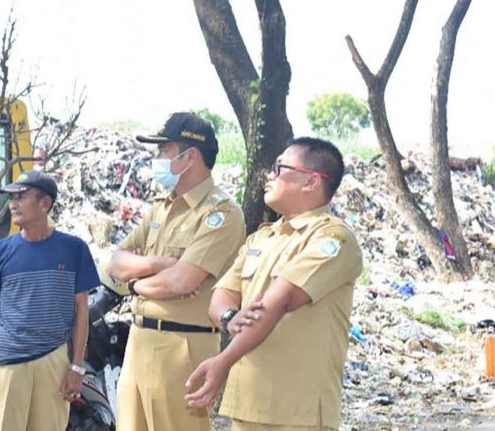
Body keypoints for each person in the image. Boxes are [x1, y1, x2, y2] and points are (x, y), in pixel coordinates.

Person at [185, 137, 363, 431]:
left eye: (280, 168)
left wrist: (224, 360)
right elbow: (221, 296)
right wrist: (231, 318)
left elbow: (279, 300)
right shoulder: (262, 238)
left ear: (311, 182)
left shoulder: (333, 239)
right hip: (249, 402)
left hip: (296, 410)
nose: (269, 175)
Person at [108, 112, 246, 431]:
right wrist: (159, 265)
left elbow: (183, 280)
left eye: (163, 150)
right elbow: (115, 262)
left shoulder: (221, 213)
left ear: (190, 156)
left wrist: (135, 285)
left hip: (183, 345)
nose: (157, 158)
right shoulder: (161, 206)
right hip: (139, 339)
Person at [0, 170, 100, 431]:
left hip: (54, 360)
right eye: (11, 198)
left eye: (21, 197)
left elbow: (81, 312)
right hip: (6, 362)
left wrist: (76, 367)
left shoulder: (74, 249)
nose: (13, 204)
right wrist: (12, 347)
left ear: (45, 204)